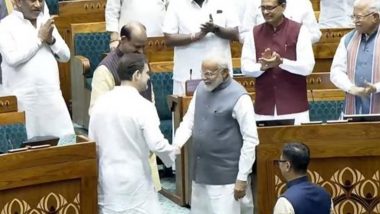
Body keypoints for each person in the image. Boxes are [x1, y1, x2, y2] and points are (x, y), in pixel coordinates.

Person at [89, 53, 175, 214]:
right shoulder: (144, 106)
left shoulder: (100, 103)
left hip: (107, 178)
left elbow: (92, 143)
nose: (149, 78)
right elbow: (156, 144)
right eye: (147, 73)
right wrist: (173, 152)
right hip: (135, 181)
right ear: (136, 75)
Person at [173, 56, 259, 213]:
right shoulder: (200, 88)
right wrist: (176, 144)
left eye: (209, 74)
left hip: (227, 179)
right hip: (200, 173)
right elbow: (188, 122)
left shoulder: (240, 97)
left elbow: (251, 140)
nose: (205, 78)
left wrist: (242, 177)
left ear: (224, 73)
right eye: (203, 73)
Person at [89, 21, 161, 192]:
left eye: (144, 47)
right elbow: (96, 113)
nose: (141, 52)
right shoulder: (105, 70)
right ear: (123, 40)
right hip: (121, 151)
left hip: (143, 147)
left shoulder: (141, 62)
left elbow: (150, 99)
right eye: (137, 47)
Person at [0, 0, 74, 138]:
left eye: (41, 0)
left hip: (51, 96)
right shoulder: (5, 26)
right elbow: (13, 58)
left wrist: (51, 40)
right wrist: (39, 39)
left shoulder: (45, 23)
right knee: (28, 151)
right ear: (17, 2)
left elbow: (66, 56)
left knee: (64, 147)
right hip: (24, 100)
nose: (38, 5)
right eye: (32, 0)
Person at [241, 0, 315, 125]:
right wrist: (262, 67)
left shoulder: (299, 30)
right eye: (263, 8)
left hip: (295, 108)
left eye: (270, 8)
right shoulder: (253, 33)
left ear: (283, 7)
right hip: (264, 109)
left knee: (297, 144)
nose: (265, 12)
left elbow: (307, 67)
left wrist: (281, 62)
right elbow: (245, 68)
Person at [163, 0, 240, 95]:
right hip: (188, 76)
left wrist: (215, 29)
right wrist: (194, 36)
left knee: (223, 108)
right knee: (187, 109)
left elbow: (235, 34)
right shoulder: (176, 3)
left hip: (220, 76)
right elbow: (169, 39)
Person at [330, 0, 380, 115]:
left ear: (375, 17)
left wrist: (376, 88)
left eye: (359, 17)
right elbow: (336, 71)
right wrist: (351, 88)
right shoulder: (347, 39)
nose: (355, 21)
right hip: (353, 109)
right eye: (353, 16)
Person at [274, 142, 333, 214]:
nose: (279, 164)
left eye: (280, 161)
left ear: (287, 166)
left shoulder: (285, 202)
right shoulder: (326, 195)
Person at [240, 0, 321, 44]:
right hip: (262, 60)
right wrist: (264, 41)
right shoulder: (253, 2)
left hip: (294, 60)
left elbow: (314, 34)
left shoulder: (303, 2)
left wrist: (294, 42)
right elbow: (244, 35)